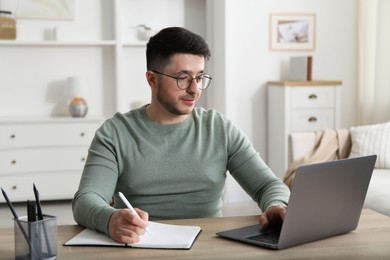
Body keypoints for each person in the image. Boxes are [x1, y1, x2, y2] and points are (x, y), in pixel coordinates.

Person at [72, 27, 290, 244]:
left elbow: (268, 185)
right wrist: (109, 219)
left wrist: (276, 205)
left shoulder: (219, 128)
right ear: (152, 79)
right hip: (140, 245)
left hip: (209, 247)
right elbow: (86, 200)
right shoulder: (115, 133)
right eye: (183, 78)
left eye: (200, 77)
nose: (195, 89)